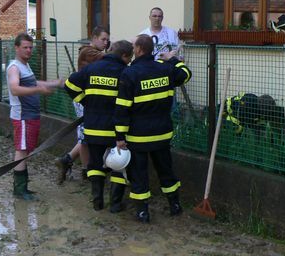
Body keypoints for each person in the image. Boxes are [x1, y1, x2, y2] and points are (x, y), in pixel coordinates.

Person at [114, 34, 192, 223]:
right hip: (162, 133)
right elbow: (186, 74)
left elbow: (122, 108)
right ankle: (174, 205)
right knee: (166, 170)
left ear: (139, 49)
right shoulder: (165, 69)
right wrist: (172, 59)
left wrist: (120, 136)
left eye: (134, 46)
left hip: (139, 136)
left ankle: (143, 212)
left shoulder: (129, 74)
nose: (132, 49)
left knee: (139, 174)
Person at [64, 40, 133, 211]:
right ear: (124, 56)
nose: (130, 61)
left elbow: (69, 85)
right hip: (115, 130)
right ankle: (115, 204)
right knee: (118, 164)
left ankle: (97, 202)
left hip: (93, 126)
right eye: (129, 58)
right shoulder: (125, 72)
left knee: (95, 164)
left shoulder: (91, 68)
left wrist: (85, 101)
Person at [7, 32, 63, 200]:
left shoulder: (26, 66)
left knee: (25, 150)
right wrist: (39, 90)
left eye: (31, 47)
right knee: (21, 151)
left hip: (31, 116)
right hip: (23, 116)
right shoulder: (14, 67)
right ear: (16, 48)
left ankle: (22, 188)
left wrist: (55, 83)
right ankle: (19, 190)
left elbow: (34, 83)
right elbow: (15, 89)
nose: (29, 50)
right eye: (25, 47)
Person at [56, 26, 110, 184]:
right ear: (93, 38)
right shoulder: (89, 52)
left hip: (91, 97)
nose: (106, 43)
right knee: (86, 136)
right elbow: (109, 59)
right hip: (83, 97)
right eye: (103, 39)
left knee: (88, 135)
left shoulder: (96, 52)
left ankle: (67, 160)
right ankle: (87, 172)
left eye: (108, 40)